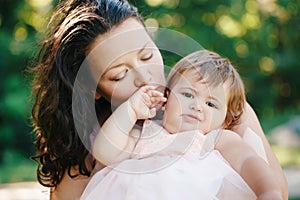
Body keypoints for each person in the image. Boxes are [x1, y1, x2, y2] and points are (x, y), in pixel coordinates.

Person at [29, 0, 288, 199]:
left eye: (146, 55)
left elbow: (275, 189)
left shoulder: (212, 105)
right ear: (93, 90)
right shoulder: (96, 144)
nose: (145, 77)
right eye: (119, 75)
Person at [80, 50, 283, 200]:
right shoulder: (145, 133)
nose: (196, 106)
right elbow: (105, 152)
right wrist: (131, 110)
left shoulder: (215, 138)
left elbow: (248, 161)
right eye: (188, 94)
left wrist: (268, 191)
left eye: (211, 103)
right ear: (167, 97)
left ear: (226, 120)